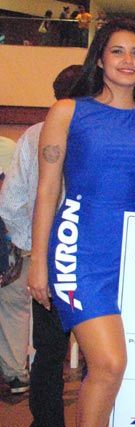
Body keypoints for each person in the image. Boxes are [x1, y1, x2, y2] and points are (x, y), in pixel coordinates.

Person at [28, 19, 135, 427]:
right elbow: (48, 189)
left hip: (134, 258)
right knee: (108, 364)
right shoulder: (68, 112)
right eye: (117, 51)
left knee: (127, 371)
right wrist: (38, 261)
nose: (128, 61)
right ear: (100, 59)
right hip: (79, 253)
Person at [1, 65, 82, 427]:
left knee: (49, 356)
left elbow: (11, 202)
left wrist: (32, 249)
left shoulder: (34, 136)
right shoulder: (104, 132)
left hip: (48, 261)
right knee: (101, 360)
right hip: (95, 262)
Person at [0, 135, 30, 396]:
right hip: (13, 242)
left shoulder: (10, 147)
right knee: (13, 308)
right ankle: (15, 373)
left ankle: (15, 372)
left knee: (13, 305)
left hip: (11, 241)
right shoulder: (9, 147)